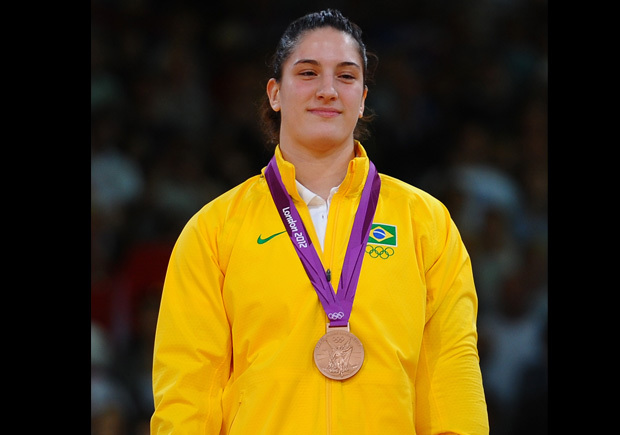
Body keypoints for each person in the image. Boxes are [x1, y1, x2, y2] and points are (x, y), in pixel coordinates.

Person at [151, 9, 489, 434]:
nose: (328, 90)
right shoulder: (214, 229)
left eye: (346, 76)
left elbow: (451, 378)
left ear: (362, 98)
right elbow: (188, 393)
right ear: (275, 93)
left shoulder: (426, 222)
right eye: (308, 73)